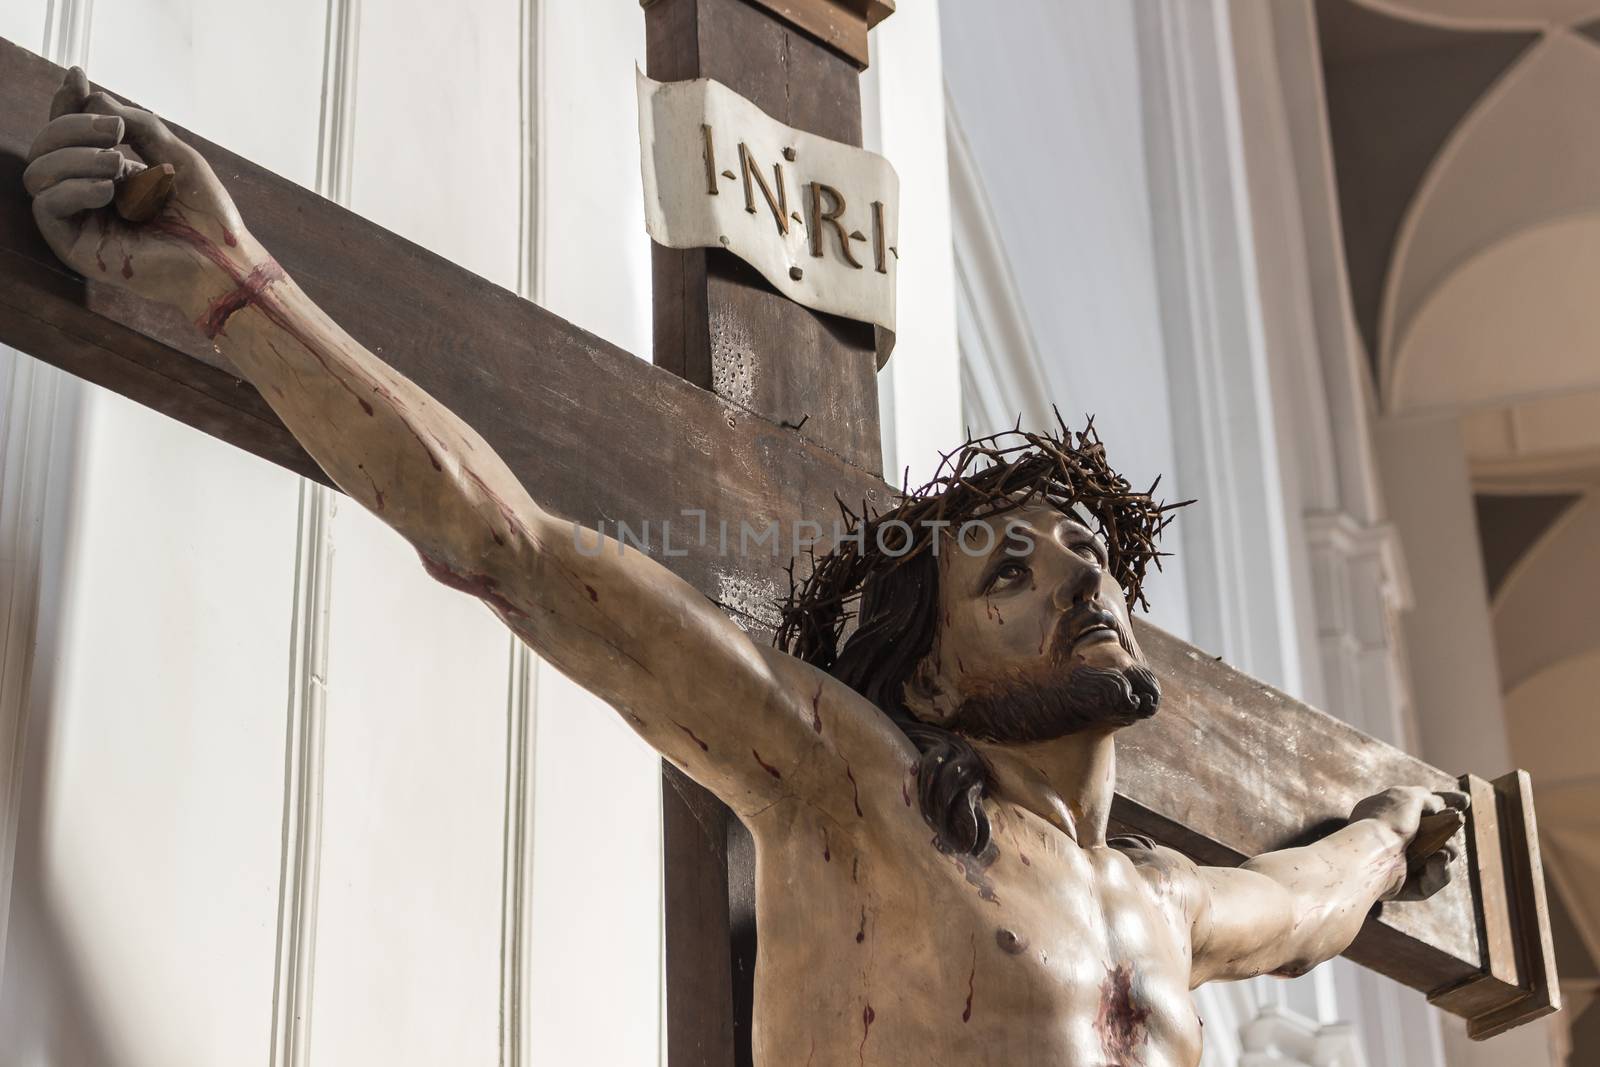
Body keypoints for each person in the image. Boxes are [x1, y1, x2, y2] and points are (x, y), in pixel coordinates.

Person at [26, 68, 1465, 1066]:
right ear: (933, 681)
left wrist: (1400, 830)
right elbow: (508, 545)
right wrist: (232, 286)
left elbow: (1322, 899)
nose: (1080, 579)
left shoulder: (1172, 906)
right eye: (1010, 573)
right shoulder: (851, 784)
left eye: (1086, 555)